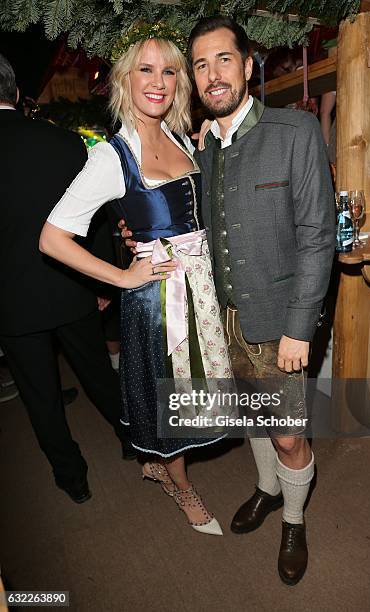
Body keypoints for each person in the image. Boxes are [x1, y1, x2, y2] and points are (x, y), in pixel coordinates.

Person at [40, 38, 232, 536]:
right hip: (157, 301)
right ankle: (181, 485)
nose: (158, 82)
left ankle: (160, 464)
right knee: (166, 396)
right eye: (145, 70)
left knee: (197, 392)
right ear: (126, 81)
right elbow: (53, 237)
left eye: (169, 72)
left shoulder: (181, 138)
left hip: (200, 289)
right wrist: (124, 276)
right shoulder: (112, 155)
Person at [186, 16, 335, 584]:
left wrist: (300, 327)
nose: (212, 74)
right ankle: (267, 489)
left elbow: (318, 235)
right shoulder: (202, 151)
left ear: (248, 65)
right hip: (225, 319)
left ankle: (293, 519)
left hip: (282, 324)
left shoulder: (294, 131)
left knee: (289, 433)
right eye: (201, 64)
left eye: (224, 59)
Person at [0, 53, 135, 505]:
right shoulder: (64, 141)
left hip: (12, 302)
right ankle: (133, 440)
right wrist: (100, 283)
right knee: (98, 372)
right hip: (70, 283)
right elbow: (93, 221)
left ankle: (72, 477)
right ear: (16, 94)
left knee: (39, 396)